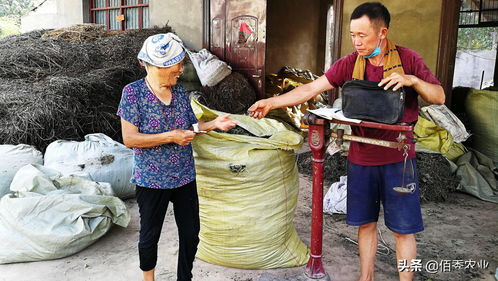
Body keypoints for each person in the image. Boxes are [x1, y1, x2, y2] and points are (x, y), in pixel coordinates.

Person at [248, 2, 444, 281]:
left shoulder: (408, 59)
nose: (356, 41)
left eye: (362, 35)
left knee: (403, 229)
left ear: (382, 32)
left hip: (398, 158)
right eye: (353, 35)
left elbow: (438, 96)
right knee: (365, 225)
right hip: (362, 157)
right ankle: (366, 278)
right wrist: (271, 101)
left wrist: (411, 80)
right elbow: (312, 88)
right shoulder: (350, 63)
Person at [117, 33, 237, 281]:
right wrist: (170, 136)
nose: (181, 70)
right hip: (151, 179)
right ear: (158, 65)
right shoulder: (133, 93)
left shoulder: (181, 93)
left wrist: (213, 123)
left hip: (184, 176)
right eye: (178, 64)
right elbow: (130, 139)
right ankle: (148, 279)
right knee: (150, 234)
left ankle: (185, 278)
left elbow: (189, 129)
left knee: (191, 233)